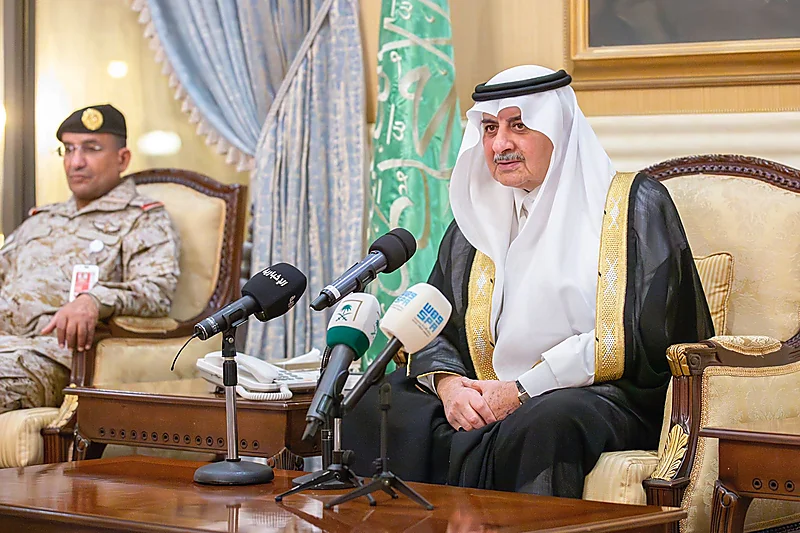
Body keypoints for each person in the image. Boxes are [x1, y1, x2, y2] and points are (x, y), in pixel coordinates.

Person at [343, 66, 713, 497]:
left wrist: (521, 390)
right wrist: (450, 387)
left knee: (546, 422)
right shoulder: (475, 221)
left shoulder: (632, 207)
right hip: (485, 387)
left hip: (598, 392)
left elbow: (638, 339)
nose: (500, 144)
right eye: (490, 128)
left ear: (558, 129)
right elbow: (432, 321)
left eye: (518, 125)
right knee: (375, 404)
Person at [0, 104, 180, 415]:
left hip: (47, 355)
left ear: (122, 158)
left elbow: (157, 291)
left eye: (91, 149)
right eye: (68, 149)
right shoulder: (43, 219)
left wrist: (94, 299)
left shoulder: (142, 219)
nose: (76, 162)